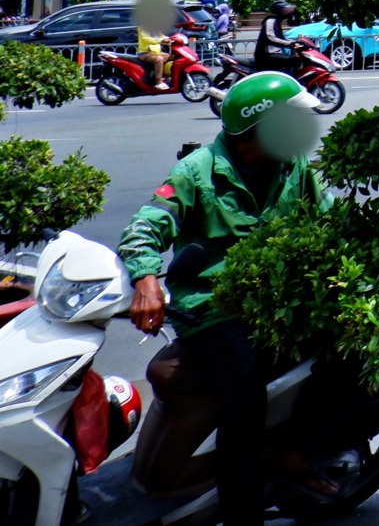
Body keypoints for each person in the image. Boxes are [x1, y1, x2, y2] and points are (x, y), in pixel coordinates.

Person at [120, 72, 329, 526]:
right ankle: (241, 513)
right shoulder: (197, 171)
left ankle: (293, 450)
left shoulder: (294, 164)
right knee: (244, 397)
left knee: (349, 354)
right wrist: (146, 279)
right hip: (214, 308)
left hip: (282, 300)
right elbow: (147, 225)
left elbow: (330, 222)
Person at [250, 2, 302, 72]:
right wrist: (291, 44)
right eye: (286, 10)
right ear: (279, 11)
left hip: (272, 53)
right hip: (266, 55)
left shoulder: (277, 21)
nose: (289, 12)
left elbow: (281, 38)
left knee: (295, 59)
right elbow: (271, 38)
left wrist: (296, 42)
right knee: (294, 60)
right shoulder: (270, 21)